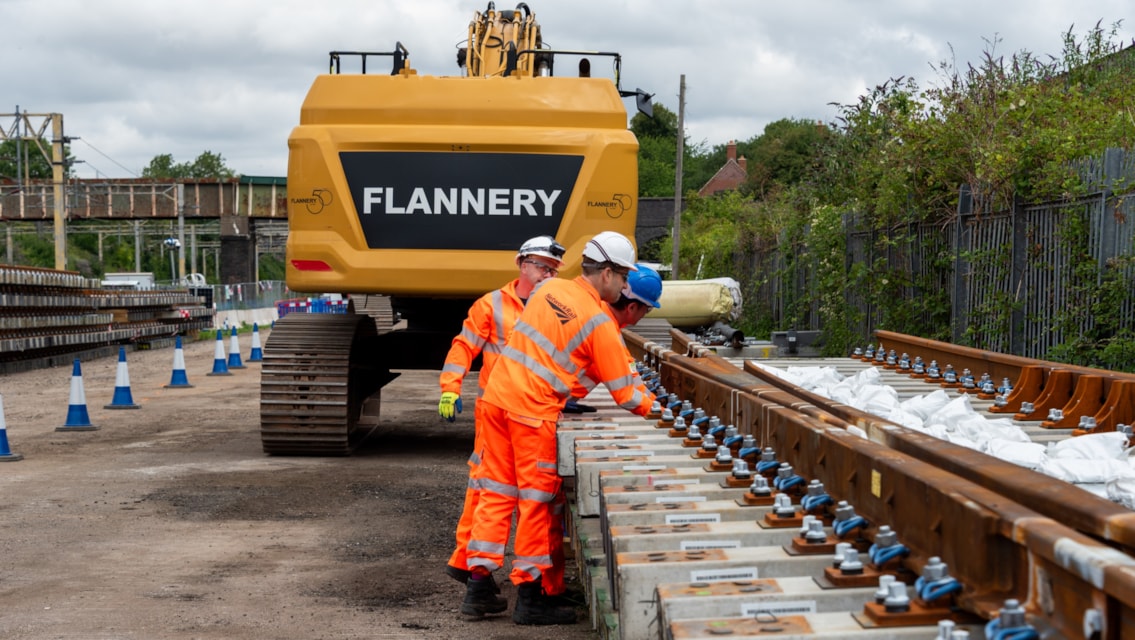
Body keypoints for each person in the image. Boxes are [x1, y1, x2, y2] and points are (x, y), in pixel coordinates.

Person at [462, 231, 655, 625]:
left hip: (497, 400)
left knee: (497, 493)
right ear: (606, 274)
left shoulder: (548, 289)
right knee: (535, 502)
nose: (623, 286)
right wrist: (665, 411)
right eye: (622, 278)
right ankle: (530, 599)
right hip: (532, 413)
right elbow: (628, 396)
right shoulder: (598, 320)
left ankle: (478, 587)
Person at [438, 235, 566, 616]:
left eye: (553, 269)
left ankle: (532, 584)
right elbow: (464, 347)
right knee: (492, 492)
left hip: (529, 412)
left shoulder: (555, 306)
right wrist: (450, 387)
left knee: (515, 496)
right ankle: (475, 571)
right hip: (498, 415)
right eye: (542, 266)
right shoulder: (492, 306)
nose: (547, 273)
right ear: (521, 264)